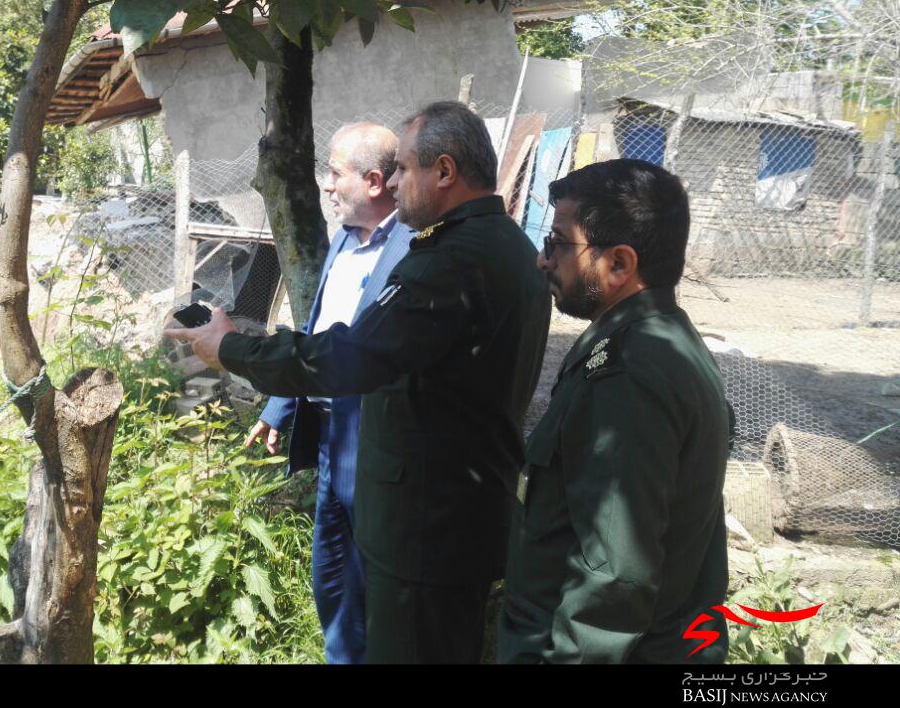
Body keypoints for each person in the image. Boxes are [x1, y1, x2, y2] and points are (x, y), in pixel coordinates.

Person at [168, 101, 552, 664]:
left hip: (429, 519)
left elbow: (353, 355)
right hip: (448, 506)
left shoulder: (450, 259)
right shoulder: (507, 247)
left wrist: (231, 348)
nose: (395, 184)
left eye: (405, 170)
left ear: (444, 172)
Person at [497, 159, 731, 664]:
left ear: (619, 265)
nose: (543, 261)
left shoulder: (629, 376)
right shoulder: (655, 339)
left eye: (557, 244)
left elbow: (614, 577)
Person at [244, 122, 413, 665]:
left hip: (377, 439)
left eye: (335, 174)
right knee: (332, 576)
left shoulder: (414, 248)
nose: (327, 186)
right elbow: (320, 331)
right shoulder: (342, 239)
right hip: (332, 437)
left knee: (373, 584)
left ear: (372, 181)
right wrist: (280, 404)